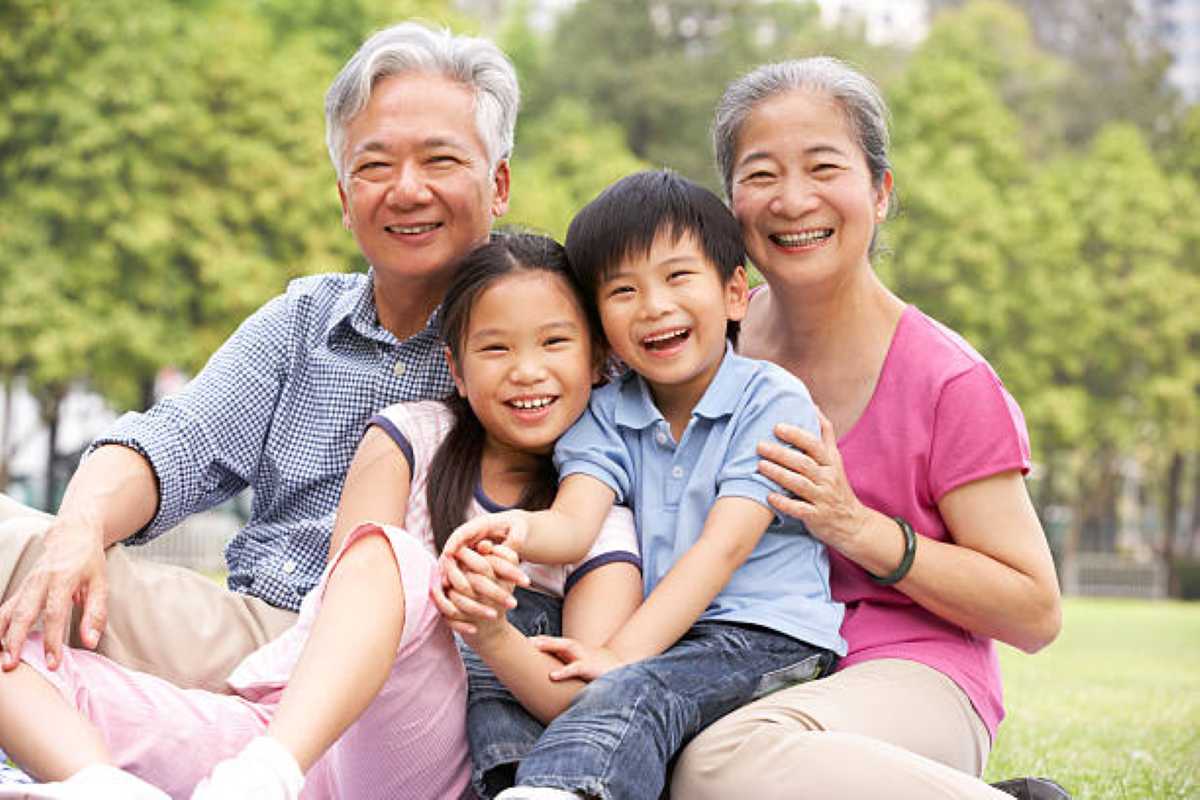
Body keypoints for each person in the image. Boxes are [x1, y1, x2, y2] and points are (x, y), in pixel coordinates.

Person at [0, 233, 644, 799]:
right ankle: (101, 786)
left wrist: (490, 631)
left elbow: (575, 696)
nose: (527, 371)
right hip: (290, 730)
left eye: (555, 343)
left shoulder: (596, 516)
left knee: (396, 557)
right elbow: (335, 608)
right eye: (496, 349)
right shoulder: (409, 436)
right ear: (456, 367)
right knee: (15, 660)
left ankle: (268, 775)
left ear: (597, 359)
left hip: (413, 760)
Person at [0, 21, 518, 695]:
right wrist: (78, 528)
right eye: (374, 165)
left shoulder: (547, 334)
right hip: (257, 639)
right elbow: (175, 442)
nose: (407, 190)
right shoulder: (301, 322)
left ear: (499, 184)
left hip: (421, 676)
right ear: (343, 198)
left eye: (440, 160)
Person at [667, 57, 1065, 800]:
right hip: (743, 664)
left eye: (824, 167)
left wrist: (854, 525)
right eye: (760, 175)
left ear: (880, 192)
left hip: (909, 674)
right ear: (731, 203)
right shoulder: (705, 344)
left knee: (716, 766)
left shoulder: (949, 381)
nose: (792, 200)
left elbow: (1035, 610)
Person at [441, 170, 845, 800]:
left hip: (768, 640)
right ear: (600, 323)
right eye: (623, 289)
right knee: (527, 646)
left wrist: (624, 653)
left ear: (736, 292)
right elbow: (575, 523)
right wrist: (514, 530)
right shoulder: (607, 412)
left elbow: (724, 548)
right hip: (669, 642)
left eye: (678, 277)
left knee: (633, 690)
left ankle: (561, 792)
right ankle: (517, 785)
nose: (654, 305)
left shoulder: (770, 399)